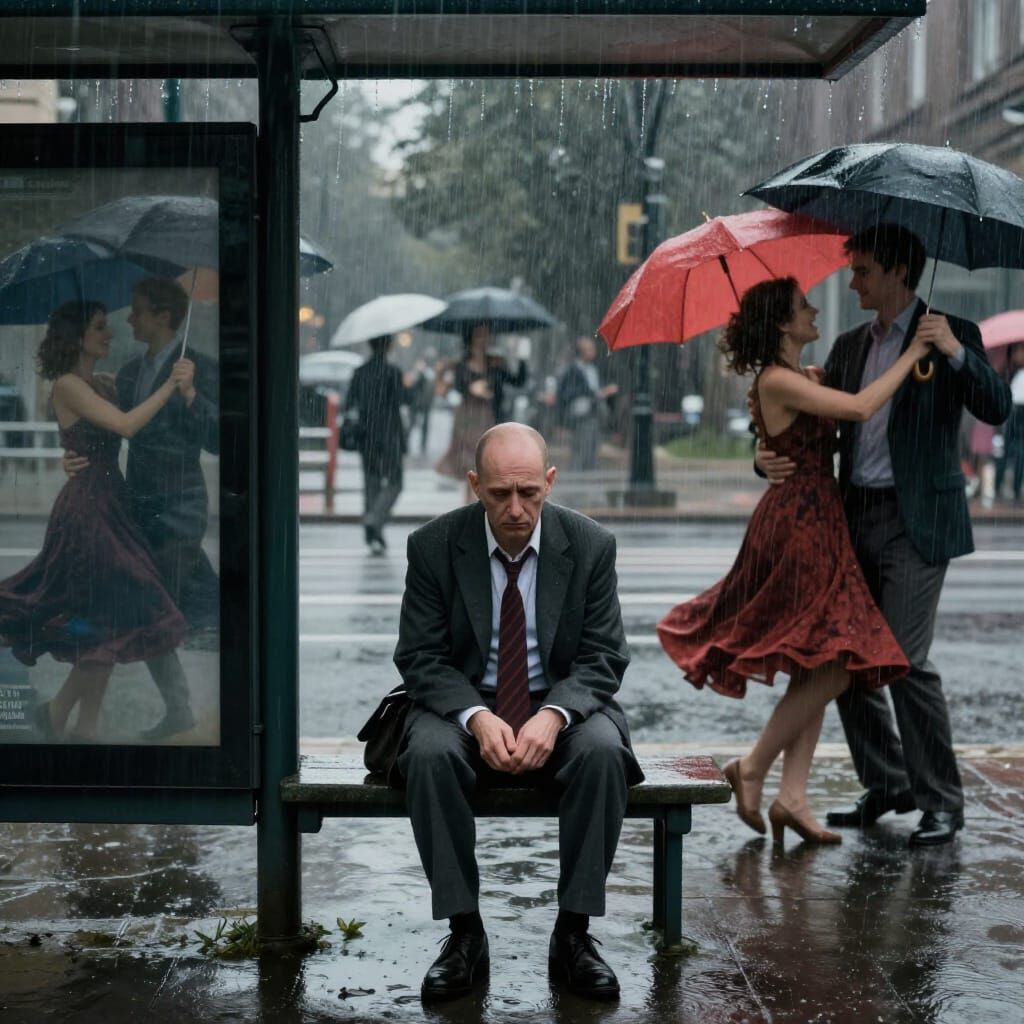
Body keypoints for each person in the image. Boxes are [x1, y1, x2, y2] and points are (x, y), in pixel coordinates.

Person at [755, 226, 1012, 847]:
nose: (853, 282)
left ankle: (942, 801)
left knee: (901, 658)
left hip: (918, 520)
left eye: (864, 271)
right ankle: (889, 781)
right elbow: (801, 429)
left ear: (899, 271)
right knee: (845, 655)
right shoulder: (846, 349)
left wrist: (952, 349)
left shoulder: (952, 332)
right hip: (851, 517)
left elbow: (998, 406)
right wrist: (761, 458)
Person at [658, 277, 918, 845]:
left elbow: (795, 426)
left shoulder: (799, 378)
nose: (815, 309)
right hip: (800, 525)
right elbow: (861, 406)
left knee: (818, 656)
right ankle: (752, 768)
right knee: (838, 661)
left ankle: (792, 797)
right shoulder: (778, 380)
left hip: (817, 517)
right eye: (803, 306)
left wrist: (765, 445)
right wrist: (916, 351)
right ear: (782, 323)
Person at [394, 422, 642, 1002]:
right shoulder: (433, 546)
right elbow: (420, 657)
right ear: (474, 485)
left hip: (558, 700)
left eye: (528, 493)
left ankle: (574, 934)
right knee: (428, 754)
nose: (514, 509)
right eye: (499, 493)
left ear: (549, 483)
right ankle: (464, 934)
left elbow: (605, 655)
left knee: (604, 752)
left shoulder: (590, 545)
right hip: (466, 701)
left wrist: (555, 714)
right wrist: (474, 719)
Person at [0, 301, 192, 741]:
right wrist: (170, 385)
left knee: (107, 617)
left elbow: (113, 425)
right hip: (88, 512)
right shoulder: (68, 385)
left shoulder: (101, 383)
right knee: (120, 605)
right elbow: (126, 426)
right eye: (100, 328)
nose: (109, 334)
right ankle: (63, 713)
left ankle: (78, 724)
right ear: (77, 337)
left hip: (112, 505)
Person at [64, 276, 220, 741]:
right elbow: (109, 430)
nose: (129, 318)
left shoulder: (198, 367)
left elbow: (218, 437)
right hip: (139, 509)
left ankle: (183, 709)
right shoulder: (131, 374)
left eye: (138, 310)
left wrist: (191, 394)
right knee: (161, 608)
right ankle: (180, 709)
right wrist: (72, 454)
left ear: (164, 317)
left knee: (151, 608)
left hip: (181, 509)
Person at [434, 324, 527, 502]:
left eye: (486, 336)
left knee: (487, 465)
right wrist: (471, 387)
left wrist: (521, 357)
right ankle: (470, 507)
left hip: (491, 419)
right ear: (471, 339)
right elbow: (456, 386)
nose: (484, 340)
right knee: (469, 465)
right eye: (479, 336)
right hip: (467, 419)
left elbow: (518, 381)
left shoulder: (496, 363)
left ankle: (482, 506)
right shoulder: (461, 364)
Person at [344, 334, 411, 555]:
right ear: (389, 345)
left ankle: (374, 533)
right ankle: (374, 519)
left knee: (371, 484)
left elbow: (350, 403)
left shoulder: (359, 373)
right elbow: (403, 400)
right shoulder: (393, 372)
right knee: (395, 483)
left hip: (367, 435)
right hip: (390, 434)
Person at [556, 335, 619, 471]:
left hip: (593, 412)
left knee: (592, 443)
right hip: (580, 414)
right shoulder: (572, 370)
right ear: (581, 351)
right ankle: (578, 474)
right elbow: (566, 394)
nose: (593, 352)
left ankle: (587, 472)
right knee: (581, 445)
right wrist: (597, 394)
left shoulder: (593, 369)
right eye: (589, 349)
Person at [994, 344, 1024, 503]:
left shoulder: (1016, 372)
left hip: (1017, 411)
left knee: (1018, 452)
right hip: (1012, 412)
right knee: (1008, 452)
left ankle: (1015, 489)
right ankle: (1000, 486)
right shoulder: (1008, 371)